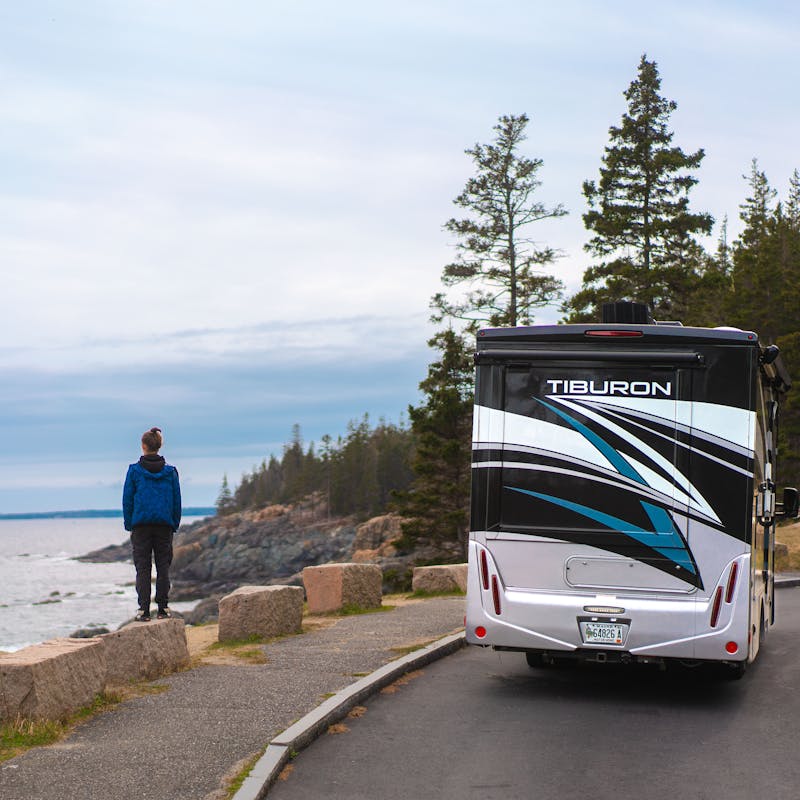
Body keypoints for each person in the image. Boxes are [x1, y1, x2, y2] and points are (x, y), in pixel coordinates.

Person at [122, 427, 182, 621]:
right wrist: (174, 524)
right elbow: (176, 501)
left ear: (143, 446)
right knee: (163, 567)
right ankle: (163, 608)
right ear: (159, 446)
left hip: (140, 526)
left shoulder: (134, 471)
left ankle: (144, 611)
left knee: (143, 568)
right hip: (164, 525)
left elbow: (127, 499)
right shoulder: (170, 472)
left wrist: (129, 523)